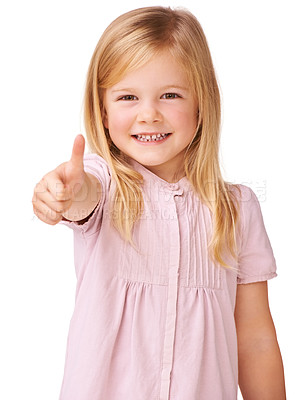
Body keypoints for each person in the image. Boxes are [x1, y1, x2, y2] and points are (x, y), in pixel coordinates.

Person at [32, 6, 286, 400]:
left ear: (202, 103)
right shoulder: (104, 183)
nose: (148, 114)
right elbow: (84, 197)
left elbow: (254, 339)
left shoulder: (237, 207)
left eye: (170, 95)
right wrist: (65, 192)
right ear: (102, 110)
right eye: (127, 97)